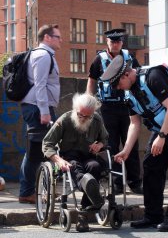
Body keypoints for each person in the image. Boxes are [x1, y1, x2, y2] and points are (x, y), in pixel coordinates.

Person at [100, 55, 168, 232]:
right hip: (163, 126)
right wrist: (126, 150)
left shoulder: (152, 77)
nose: (118, 89)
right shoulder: (128, 94)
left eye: (118, 84)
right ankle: (153, 216)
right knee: (151, 165)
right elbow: (134, 123)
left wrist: (161, 136)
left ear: (126, 75)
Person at [86, 28, 143, 195]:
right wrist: (89, 102)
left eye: (118, 41)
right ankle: (117, 182)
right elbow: (91, 81)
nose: (115, 44)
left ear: (122, 43)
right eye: (112, 42)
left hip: (128, 106)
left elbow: (138, 77)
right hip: (107, 108)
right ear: (107, 43)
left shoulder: (130, 58)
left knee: (131, 144)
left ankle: (134, 182)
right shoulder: (99, 59)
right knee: (111, 145)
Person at [42, 93, 108, 215]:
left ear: (93, 113)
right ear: (75, 109)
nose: (83, 118)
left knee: (95, 166)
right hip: (68, 157)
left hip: (88, 156)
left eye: (87, 116)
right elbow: (47, 143)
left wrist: (99, 145)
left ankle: (86, 207)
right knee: (74, 166)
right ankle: (91, 190)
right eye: (80, 115)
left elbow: (105, 139)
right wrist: (58, 160)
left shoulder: (97, 120)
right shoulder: (65, 120)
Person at [19, 24, 61, 204]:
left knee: (39, 151)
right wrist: (45, 112)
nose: (61, 40)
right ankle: (27, 192)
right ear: (47, 37)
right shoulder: (43, 56)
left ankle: (39, 191)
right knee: (35, 151)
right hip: (38, 108)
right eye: (58, 37)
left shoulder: (44, 55)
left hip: (38, 107)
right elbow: (40, 85)